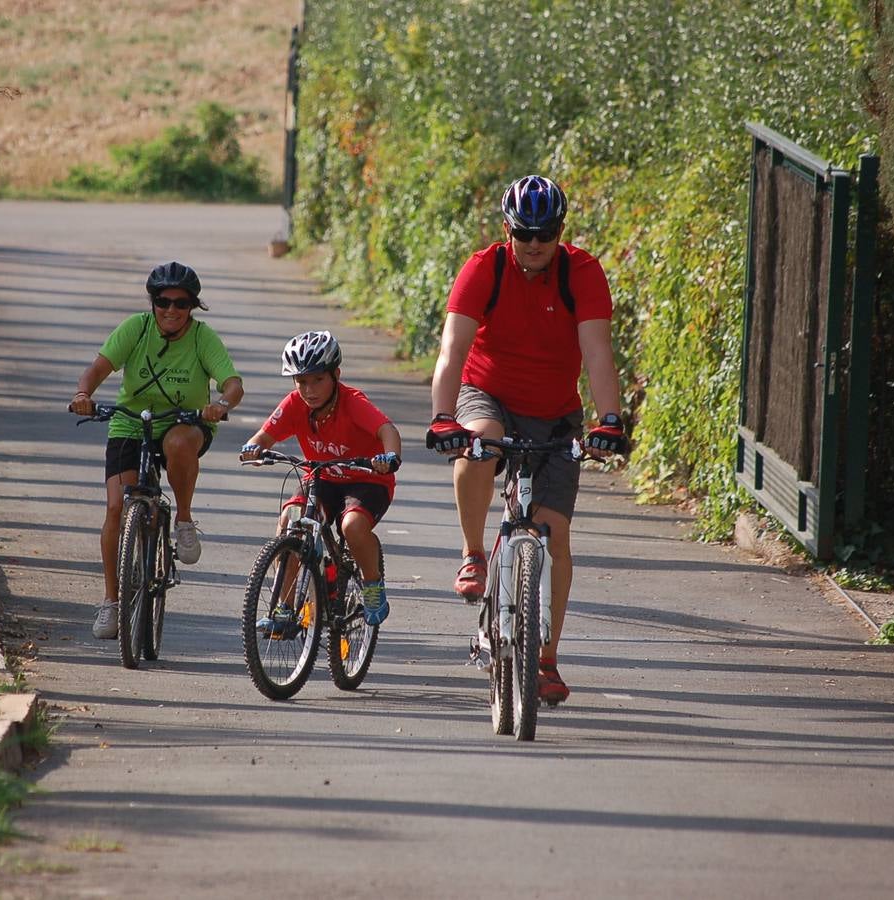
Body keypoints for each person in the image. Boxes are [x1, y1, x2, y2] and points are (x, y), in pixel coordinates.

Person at [426, 174, 629, 705]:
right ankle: (473, 553)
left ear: (561, 231)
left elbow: (598, 353)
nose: (535, 243)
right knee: (479, 441)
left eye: (546, 232)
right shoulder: (483, 268)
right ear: (507, 229)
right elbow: (452, 350)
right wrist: (443, 417)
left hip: (555, 412)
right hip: (486, 393)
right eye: (524, 232)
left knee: (554, 535)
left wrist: (609, 419)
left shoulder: (582, 272)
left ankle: (546, 659)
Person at [69, 261, 244, 640]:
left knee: (178, 442)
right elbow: (97, 369)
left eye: (181, 304)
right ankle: (112, 603)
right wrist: (84, 394)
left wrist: (222, 405)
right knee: (116, 508)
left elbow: (232, 384)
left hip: (184, 422)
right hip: (131, 422)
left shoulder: (202, 338)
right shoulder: (136, 328)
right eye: (163, 301)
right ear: (152, 303)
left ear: (192, 307)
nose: (171, 310)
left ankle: (183, 519)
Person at [239, 331, 401, 626]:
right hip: (322, 478)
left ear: (335, 375)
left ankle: (373, 584)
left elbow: (387, 430)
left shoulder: (353, 403)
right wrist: (253, 448)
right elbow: (264, 436)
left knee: (352, 526)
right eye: (301, 382)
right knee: (290, 521)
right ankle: (284, 609)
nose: (309, 390)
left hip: (366, 478)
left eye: (318, 380)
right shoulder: (294, 404)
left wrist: (388, 458)